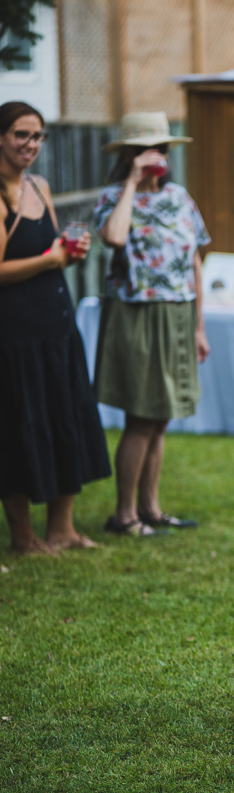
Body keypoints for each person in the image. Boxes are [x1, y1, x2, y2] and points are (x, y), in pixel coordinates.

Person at [0, 101, 110, 554]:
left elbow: (50, 251)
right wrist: (51, 259)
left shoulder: (39, 186)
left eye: (38, 136)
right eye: (21, 134)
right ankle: (24, 537)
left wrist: (69, 249)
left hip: (57, 325)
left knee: (67, 416)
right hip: (14, 335)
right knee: (20, 425)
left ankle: (62, 529)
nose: (31, 144)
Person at [93, 112, 211, 536]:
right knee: (142, 416)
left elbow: (194, 259)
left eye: (161, 149)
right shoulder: (113, 196)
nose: (156, 156)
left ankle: (151, 509)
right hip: (136, 314)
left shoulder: (179, 196)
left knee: (160, 416)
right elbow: (114, 238)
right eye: (146, 149)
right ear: (129, 155)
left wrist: (199, 326)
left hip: (178, 313)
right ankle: (124, 516)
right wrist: (132, 181)